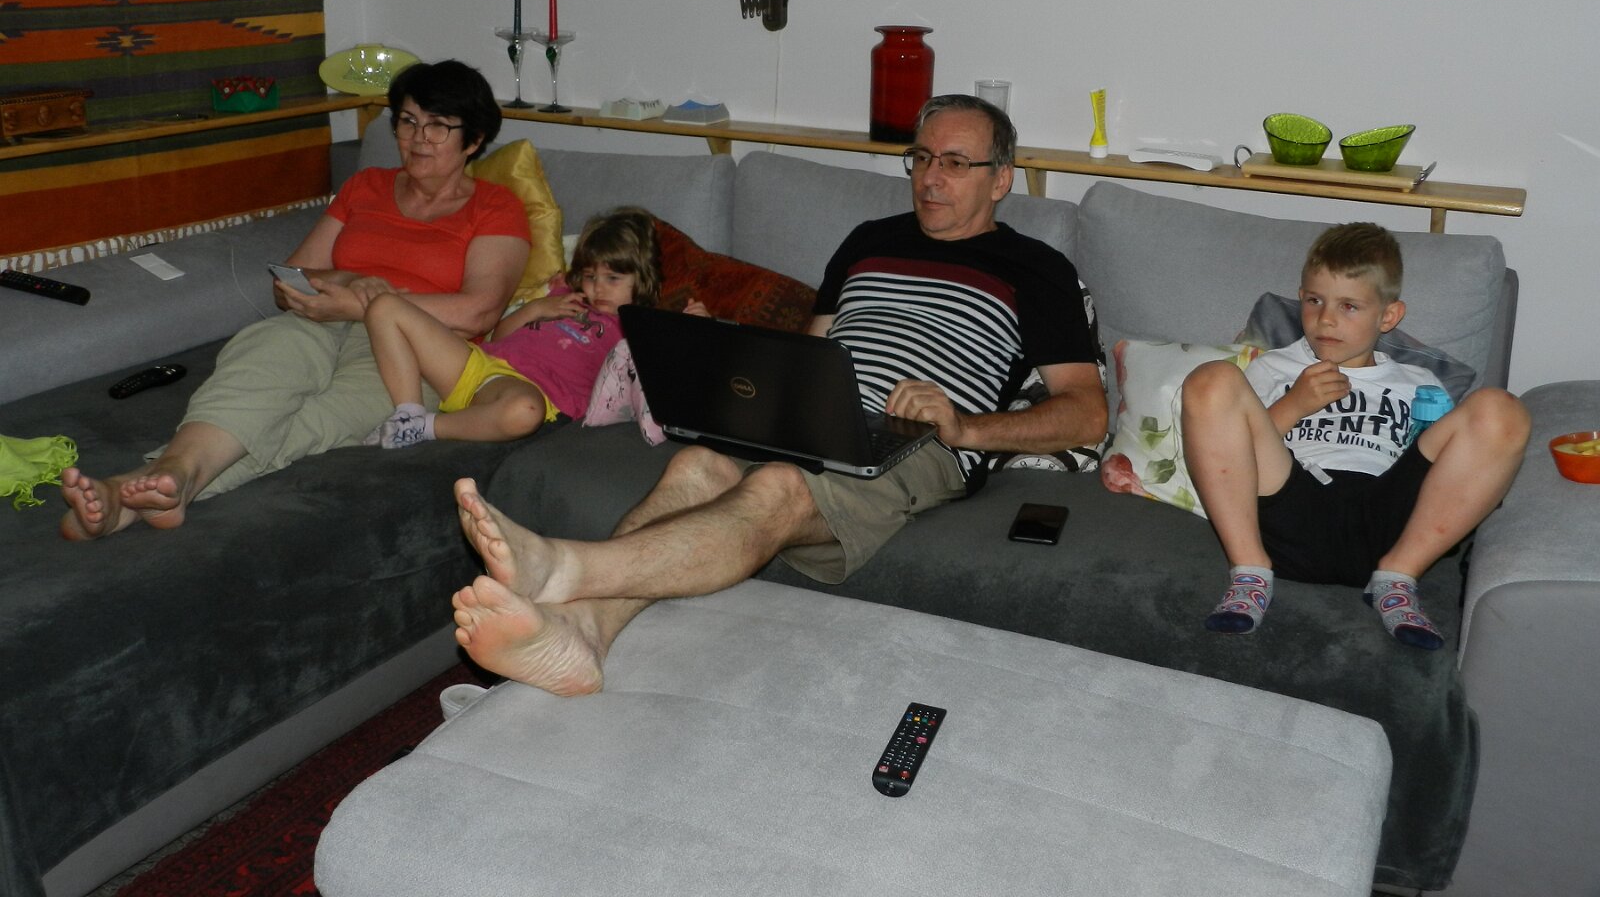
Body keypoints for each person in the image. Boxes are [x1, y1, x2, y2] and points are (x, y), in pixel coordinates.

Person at [444, 93, 1110, 696]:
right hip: (809, 416)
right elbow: (810, 351)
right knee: (695, 465)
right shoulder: (868, 241)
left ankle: (562, 567)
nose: (931, 177)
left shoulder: (1038, 270)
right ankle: (585, 636)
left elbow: (1086, 413)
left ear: (1001, 179)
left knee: (778, 488)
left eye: (956, 163)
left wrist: (965, 427)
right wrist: (736, 375)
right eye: (923, 157)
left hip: (916, 442)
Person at [57, 60, 532, 540]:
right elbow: (290, 281)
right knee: (252, 380)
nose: (418, 138)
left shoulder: (496, 207)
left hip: (411, 355)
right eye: (408, 121)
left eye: (438, 126)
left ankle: (139, 492)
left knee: (315, 420)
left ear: (473, 140)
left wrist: (362, 305)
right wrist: (350, 278)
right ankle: (171, 479)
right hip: (319, 320)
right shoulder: (365, 186)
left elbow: (479, 311)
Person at [1180, 222, 1529, 649]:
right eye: (1314, 300)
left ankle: (1398, 578)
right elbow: (1230, 455)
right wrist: (1295, 405)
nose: (1325, 318)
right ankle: (1249, 573)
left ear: (1388, 316)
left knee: (1501, 409)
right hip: (1290, 509)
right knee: (1211, 380)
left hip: (1386, 521)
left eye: (1349, 306)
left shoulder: (1418, 382)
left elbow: (1454, 472)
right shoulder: (1275, 367)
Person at [363, 207, 663, 448]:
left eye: (613, 279)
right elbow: (499, 335)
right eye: (590, 276)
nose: (597, 288)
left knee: (524, 412)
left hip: (534, 392)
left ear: (642, 279)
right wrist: (537, 308)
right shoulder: (563, 296)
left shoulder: (635, 330)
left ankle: (425, 427)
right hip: (479, 367)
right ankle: (408, 413)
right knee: (384, 306)